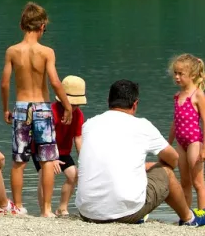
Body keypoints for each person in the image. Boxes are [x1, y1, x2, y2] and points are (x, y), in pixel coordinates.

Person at [76, 79, 205, 226]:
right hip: (125, 214)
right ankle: (189, 218)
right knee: (167, 172)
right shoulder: (142, 126)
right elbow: (173, 159)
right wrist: (157, 166)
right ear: (135, 104)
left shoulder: (89, 125)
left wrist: (142, 167)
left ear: (108, 101)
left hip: (87, 212)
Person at [0, 2, 72, 217]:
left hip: (21, 107)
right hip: (42, 107)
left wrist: (5, 109)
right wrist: (67, 106)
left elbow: (4, 83)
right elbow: (55, 82)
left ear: (22, 26)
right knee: (47, 160)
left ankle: (19, 207)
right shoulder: (46, 52)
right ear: (42, 26)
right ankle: (47, 209)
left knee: (18, 161)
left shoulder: (12, 51)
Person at [34, 74, 86, 217]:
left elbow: (78, 138)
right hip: (42, 148)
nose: (74, 107)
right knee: (45, 174)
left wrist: (84, 159)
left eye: (77, 104)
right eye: (72, 103)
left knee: (74, 175)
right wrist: (52, 159)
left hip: (62, 151)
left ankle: (62, 208)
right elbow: (42, 139)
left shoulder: (78, 115)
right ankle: (45, 210)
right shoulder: (50, 112)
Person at [167, 54, 205, 210]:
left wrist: (203, 149)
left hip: (194, 142)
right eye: (175, 73)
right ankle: (187, 215)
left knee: (197, 182)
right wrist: (167, 143)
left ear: (193, 75)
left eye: (181, 74)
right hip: (180, 143)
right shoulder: (177, 96)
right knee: (184, 182)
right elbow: (175, 123)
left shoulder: (198, 95)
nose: (176, 77)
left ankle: (202, 214)